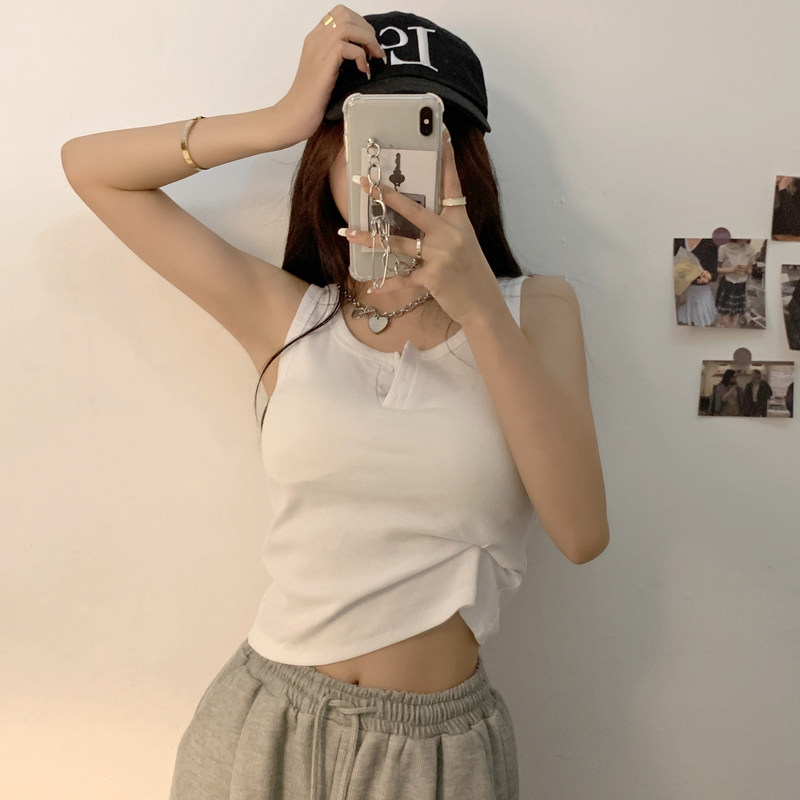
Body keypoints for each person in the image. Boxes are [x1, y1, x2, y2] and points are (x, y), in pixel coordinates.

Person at [61, 8, 609, 799]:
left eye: (426, 138)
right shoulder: (289, 315)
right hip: (261, 722)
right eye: (366, 138)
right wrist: (278, 119)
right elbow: (90, 169)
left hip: (431, 754)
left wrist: (478, 304)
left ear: (468, 164)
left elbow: (582, 533)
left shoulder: (535, 310)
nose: (395, 171)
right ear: (326, 158)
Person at [673, 238, 717, 327]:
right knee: (684, 326)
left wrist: (709, 276)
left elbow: (714, 273)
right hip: (681, 293)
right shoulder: (678, 240)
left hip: (700, 293)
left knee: (701, 327)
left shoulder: (709, 244)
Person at [714, 238, 755, 328]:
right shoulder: (724, 248)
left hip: (741, 285)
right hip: (727, 283)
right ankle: (719, 334)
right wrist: (732, 269)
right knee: (722, 318)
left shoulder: (750, 250)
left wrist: (747, 270)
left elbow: (750, 270)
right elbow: (715, 269)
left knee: (733, 318)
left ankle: (730, 335)